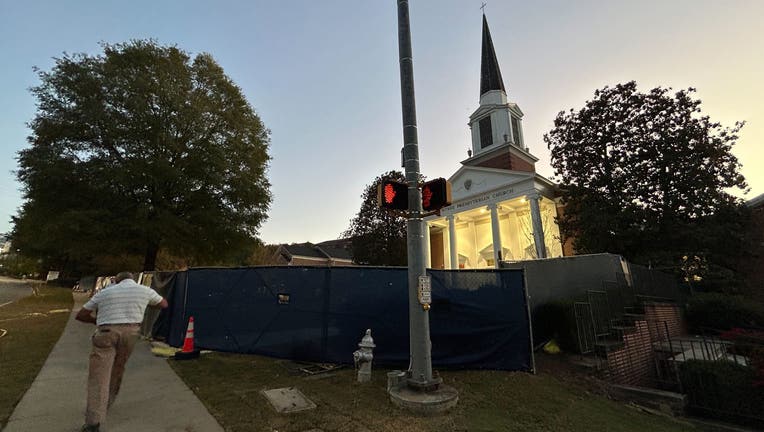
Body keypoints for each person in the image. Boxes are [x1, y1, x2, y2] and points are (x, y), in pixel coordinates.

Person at [75, 271, 168, 432]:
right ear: (132, 279)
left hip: (106, 332)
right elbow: (163, 304)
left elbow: (81, 314)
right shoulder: (144, 291)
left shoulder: (105, 292)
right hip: (131, 333)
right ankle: (107, 403)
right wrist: (145, 304)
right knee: (117, 369)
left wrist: (95, 320)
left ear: (117, 281)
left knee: (99, 375)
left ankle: (93, 422)